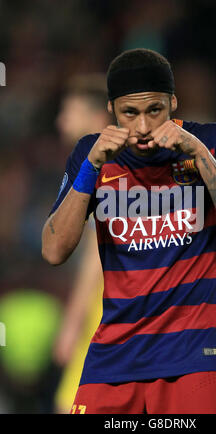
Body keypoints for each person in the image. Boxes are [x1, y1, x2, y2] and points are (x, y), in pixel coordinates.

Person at [41, 48, 216, 414]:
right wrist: (91, 166)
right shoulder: (91, 153)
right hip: (113, 359)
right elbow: (53, 251)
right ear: (112, 108)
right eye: (130, 113)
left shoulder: (211, 140)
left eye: (154, 111)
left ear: (173, 103)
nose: (143, 127)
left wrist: (201, 157)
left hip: (196, 359)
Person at [52, 74, 112, 413]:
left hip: (102, 324)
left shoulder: (102, 170)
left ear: (96, 119)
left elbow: (95, 256)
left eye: (68, 111)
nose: (61, 120)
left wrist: (72, 323)